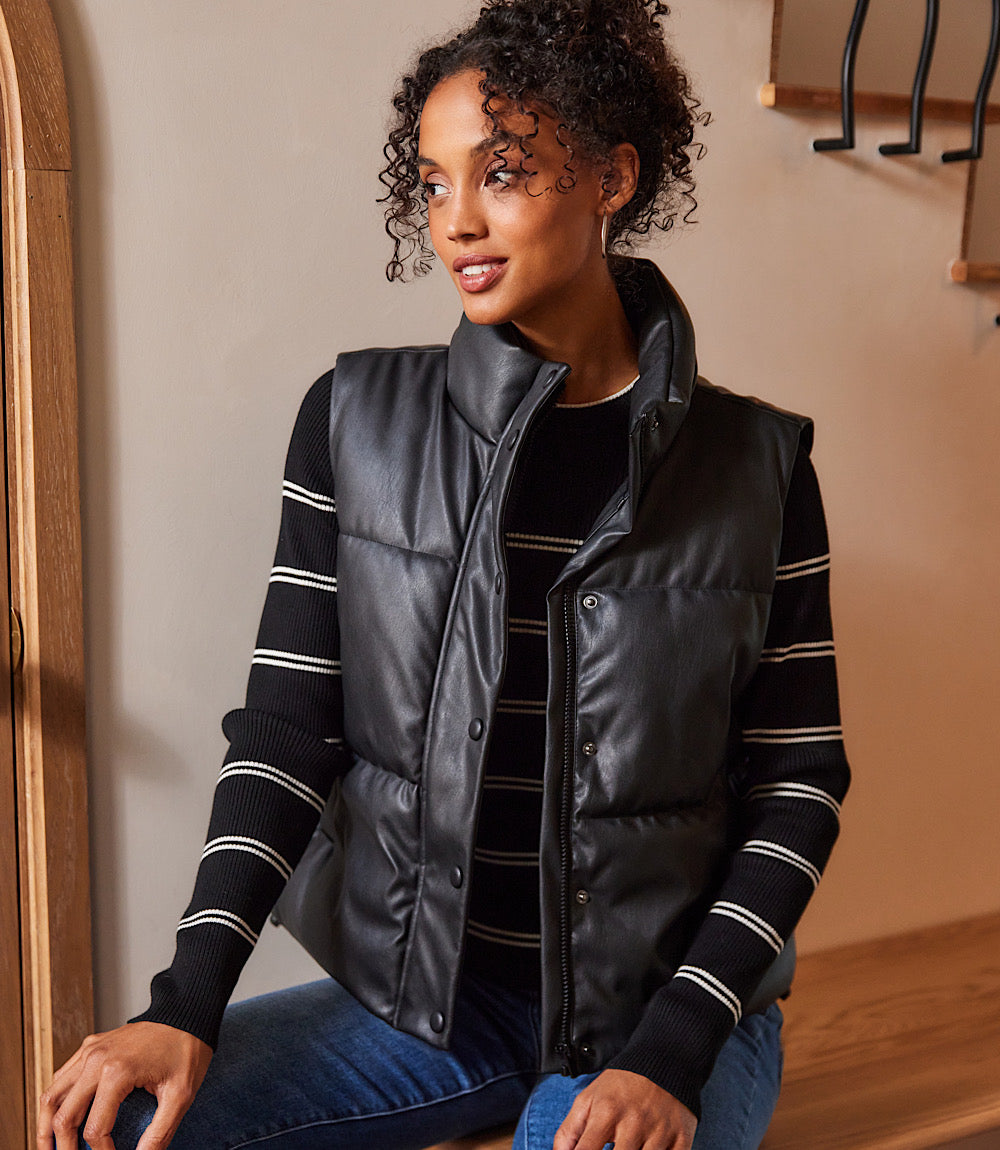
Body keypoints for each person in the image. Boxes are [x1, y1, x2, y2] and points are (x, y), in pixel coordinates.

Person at [38, 1, 850, 1148]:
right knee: (129, 1121)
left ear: (612, 179)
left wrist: (674, 1050)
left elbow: (799, 785)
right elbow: (286, 734)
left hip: (661, 1018)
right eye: (431, 183)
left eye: (503, 172)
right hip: (432, 1010)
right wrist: (185, 1002)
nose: (456, 220)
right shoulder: (354, 423)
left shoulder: (757, 464)